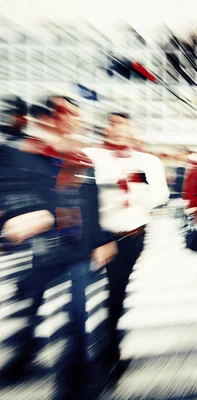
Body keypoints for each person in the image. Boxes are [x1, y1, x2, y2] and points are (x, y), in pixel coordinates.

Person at [0, 96, 116, 399]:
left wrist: (102, 239)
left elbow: (89, 204)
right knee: (29, 308)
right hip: (37, 251)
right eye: (69, 116)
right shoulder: (21, 155)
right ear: (50, 119)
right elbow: (12, 193)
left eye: (76, 116)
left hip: (76, 250)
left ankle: (75, 381)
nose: (77, 122)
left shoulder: (79, 159)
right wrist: (23, 217)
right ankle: (24, 354)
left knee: (77, 315)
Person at [84, 112, 169, 377]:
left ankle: (108, 343)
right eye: (114, 126)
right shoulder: (94, 157)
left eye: (125, 126)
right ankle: (98, 344)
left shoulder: (147, 161)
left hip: (132, 235)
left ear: (133, 131)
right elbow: (86, 195)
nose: (120, 131)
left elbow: (161, 194)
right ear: (106, 130)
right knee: (86, 291)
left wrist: (135, 185)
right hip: (99, 235)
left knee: (117, 291)